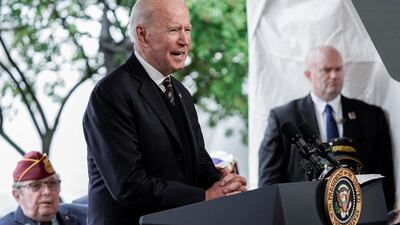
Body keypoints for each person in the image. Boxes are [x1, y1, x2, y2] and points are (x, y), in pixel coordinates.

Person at [82, 0, 247, 224]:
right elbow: (129, 184)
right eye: (173, 30)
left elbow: (198, 160)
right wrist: (204, 196)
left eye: (187, 29)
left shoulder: (182, 93)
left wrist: (222, 183)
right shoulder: (111, 93)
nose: (185, 40)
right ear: (142, 35)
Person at [258, 45, 395, 210]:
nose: (334, 75)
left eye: (338, 69)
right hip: (303, 214)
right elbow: (269, 182)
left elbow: (384, 177)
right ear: (308, 75)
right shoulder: (284, 118)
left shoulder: (371, 116)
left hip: (359, 214)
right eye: (326, 70)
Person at [0, 151, 87, 225]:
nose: (47, 191)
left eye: (52, 183)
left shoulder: (85, 216)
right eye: (35, 185)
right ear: (18, 195)